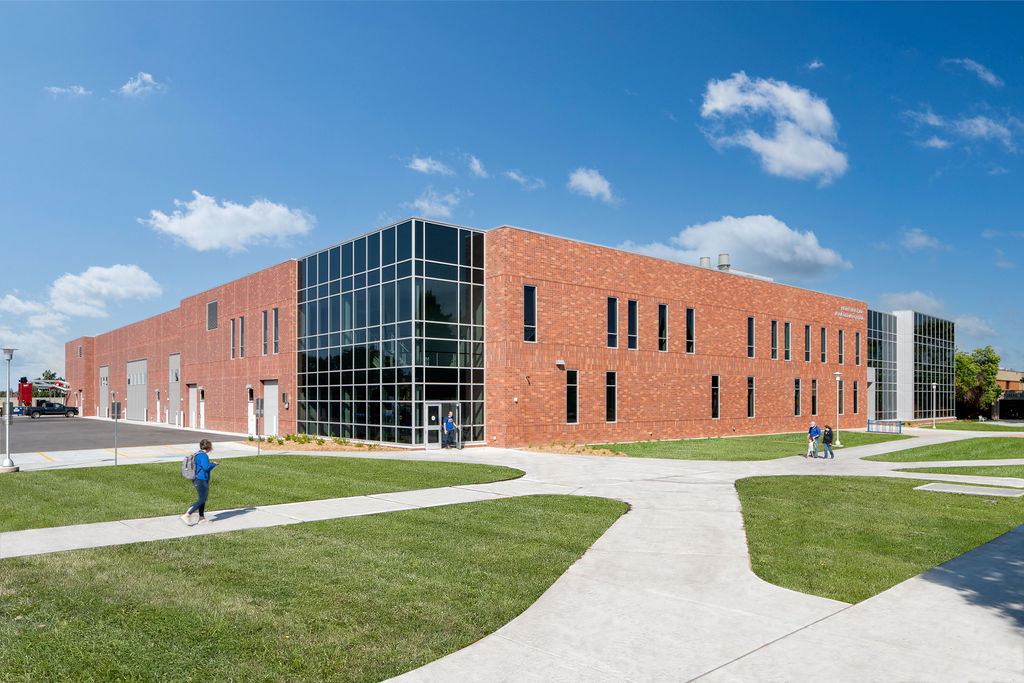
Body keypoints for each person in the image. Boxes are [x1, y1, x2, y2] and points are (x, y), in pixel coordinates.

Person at [181, 439, 218, 525]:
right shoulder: (204, 455)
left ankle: (201, 518)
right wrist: (214, 464)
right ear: (209, 447)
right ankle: (187, 515)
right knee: (202, 499)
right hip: (202, 480)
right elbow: (206, 467)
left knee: (203, 498)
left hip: (196, 478)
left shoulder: (197, 453)